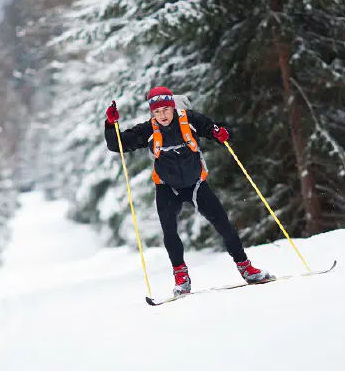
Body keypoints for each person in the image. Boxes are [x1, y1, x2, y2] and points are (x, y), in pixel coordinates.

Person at [104, 86, 271, 296]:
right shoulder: (148, 130)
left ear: (173, 107)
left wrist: (222, 133)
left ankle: (246, 268)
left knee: (224, 225)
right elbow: (118, 144)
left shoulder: (190, 120)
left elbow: (218, 129)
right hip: (167, 189)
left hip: (196, 185)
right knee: (170, 231)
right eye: (157, 112)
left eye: (165, 109)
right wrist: (111, 124)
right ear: (152, 113)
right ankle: (181, 277)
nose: (162, 115)